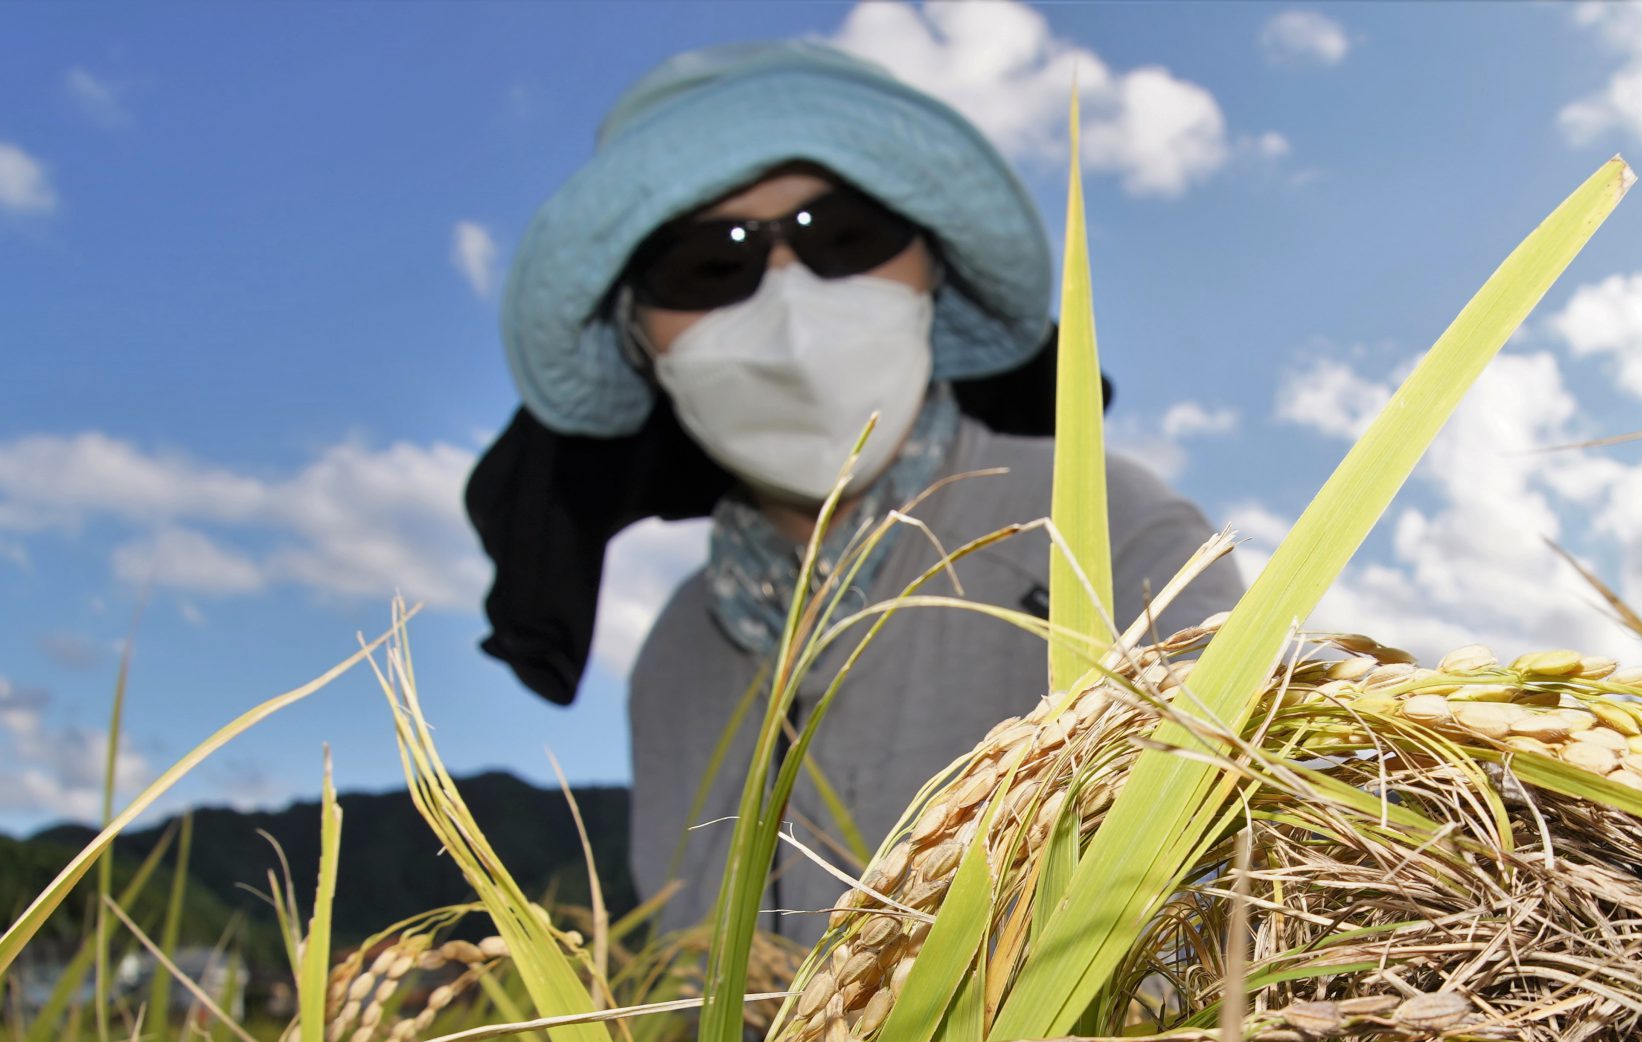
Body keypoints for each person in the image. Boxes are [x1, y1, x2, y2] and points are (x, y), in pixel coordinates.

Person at [466, 41, 1240, 941]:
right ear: (641, 337)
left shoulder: (1108, 533)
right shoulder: (674, 658)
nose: (790, 303)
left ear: (931, 266)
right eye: (708, 265)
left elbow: (1235, 895)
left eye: (846, 234)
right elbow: (683, 993)